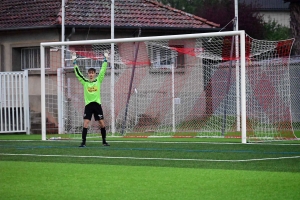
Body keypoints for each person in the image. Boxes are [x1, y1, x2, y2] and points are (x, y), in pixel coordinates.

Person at [73, 54, 110, 147]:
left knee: (101, 123)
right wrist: (74, 63)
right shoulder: (85, 82)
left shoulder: (98, 80)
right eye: (89, 73)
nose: (91, 74)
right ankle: (83, 142)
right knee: (85, 123)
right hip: (88, 105)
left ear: (94, 74)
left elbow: (102, 71)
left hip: (97, 105)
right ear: (88, 74)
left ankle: (104, 141)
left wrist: (105, 60)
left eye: (92, 73)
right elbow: (78, 74)